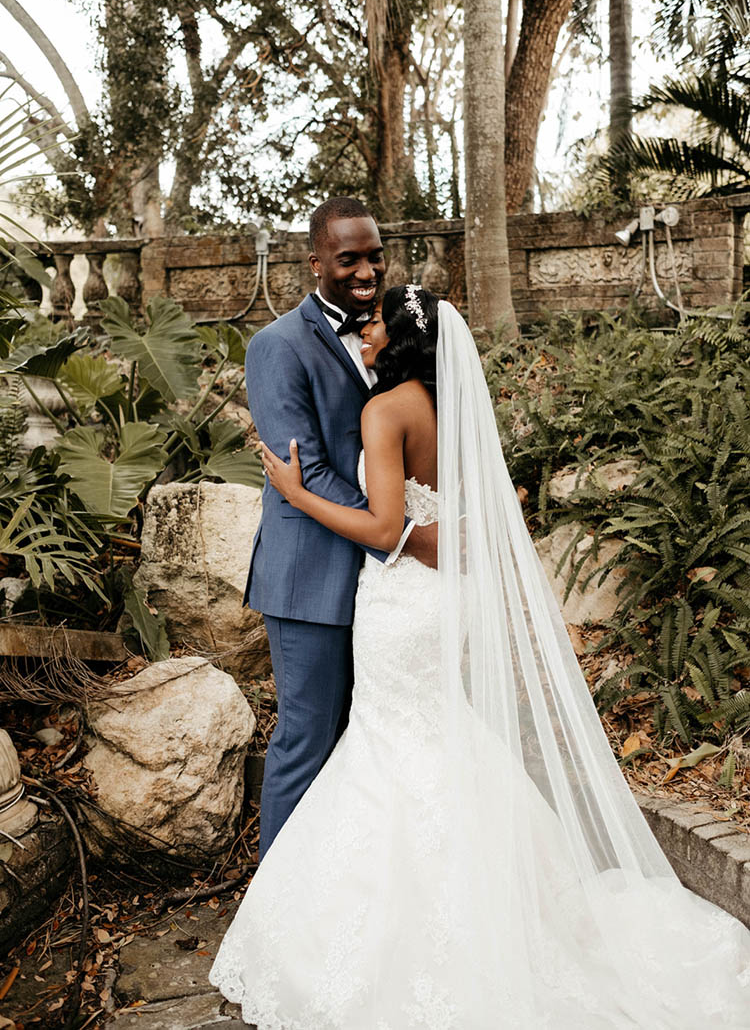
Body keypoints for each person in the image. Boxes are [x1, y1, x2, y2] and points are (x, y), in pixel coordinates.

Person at [212, 285, 750, 1027]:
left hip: (400, 602)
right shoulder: (450, 409)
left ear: (395, 338)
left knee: (391, 740)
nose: (362, 330)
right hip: (442, 602)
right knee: (438, 732)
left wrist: (296, 496)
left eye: (374, 323)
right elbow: (464, 521)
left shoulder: (384, 410)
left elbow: (385, 527)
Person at [242, 197, 436, 860]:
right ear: (316, 260)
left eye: (375, 255)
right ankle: (272, 911)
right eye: (349, 257)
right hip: (311, 579)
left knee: (365, 742)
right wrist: (398, 530)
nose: (366, 270)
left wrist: (398, 536)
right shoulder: (276, 346)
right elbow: (308, 471)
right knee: (306, 737)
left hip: (383, 584)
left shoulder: (389, 336)